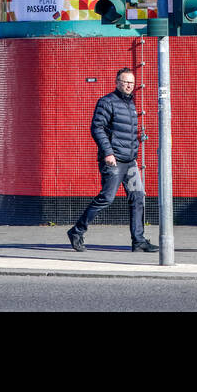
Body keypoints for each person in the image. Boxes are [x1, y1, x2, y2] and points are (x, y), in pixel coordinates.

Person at [68, 68, 158, 253]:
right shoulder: (107, 102)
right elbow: (97, 128)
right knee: (107, 198)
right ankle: (77, 231)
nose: (128, 86)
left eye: (131, 83)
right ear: (117, 82)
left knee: (138, 197)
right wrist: (108, 153)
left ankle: (138, 240)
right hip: (114, 160)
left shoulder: (131, 104)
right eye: (125, 82)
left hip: (130, 161)